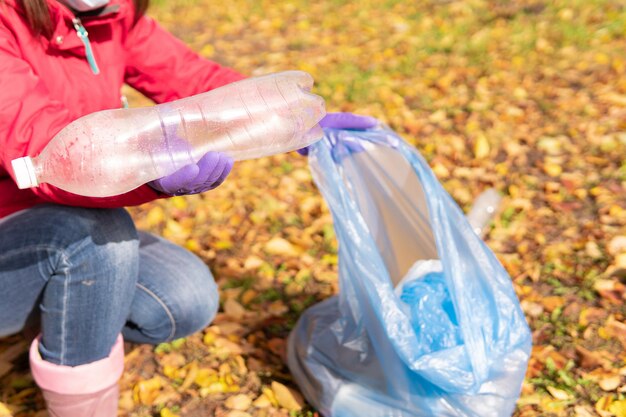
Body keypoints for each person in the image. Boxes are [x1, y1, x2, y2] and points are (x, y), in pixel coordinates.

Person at [0, 0, 376, 415]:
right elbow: (38, 145)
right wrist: (148, 169)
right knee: (101, 239)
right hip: (15, 225)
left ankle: (66, 317)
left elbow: (192, 80)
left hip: (63, 220)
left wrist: (291, 117)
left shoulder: (111, 18)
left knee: (183, 297)